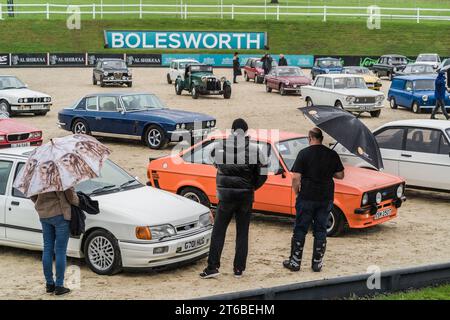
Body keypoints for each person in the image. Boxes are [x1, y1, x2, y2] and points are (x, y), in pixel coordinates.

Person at [200, 119, 267, 279]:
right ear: (246, 131)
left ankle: (212, 267)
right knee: (242, 233)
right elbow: (263, 174)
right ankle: (238, 269)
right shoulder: (255, 149)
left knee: (219, 231)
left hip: (226, 197)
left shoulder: (219, 147)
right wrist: (252, 187)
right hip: (245, 197)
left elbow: (214, 163)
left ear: (232, 131)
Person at [283, 128, 344, 273]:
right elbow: (340, 175)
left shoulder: (304, 153)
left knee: (300, 228)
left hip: (307, 196)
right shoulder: (332, 154)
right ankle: (317, 263)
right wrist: (329, 169)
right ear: (321, 138)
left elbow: (296, 177)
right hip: (325, 197)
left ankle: (295, 261)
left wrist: (296, 192)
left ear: (311, 138)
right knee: (321, 229)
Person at [30, 188, 79, 295]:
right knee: (60, 251)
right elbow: (70, 196)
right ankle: (59, 285)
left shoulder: (38, 174)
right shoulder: (60, 173)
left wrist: (41, 203)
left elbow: (32, 194)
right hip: (60, 214)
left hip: (44, 215)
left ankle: (49, 284)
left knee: (47, 248)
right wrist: (78, 201)